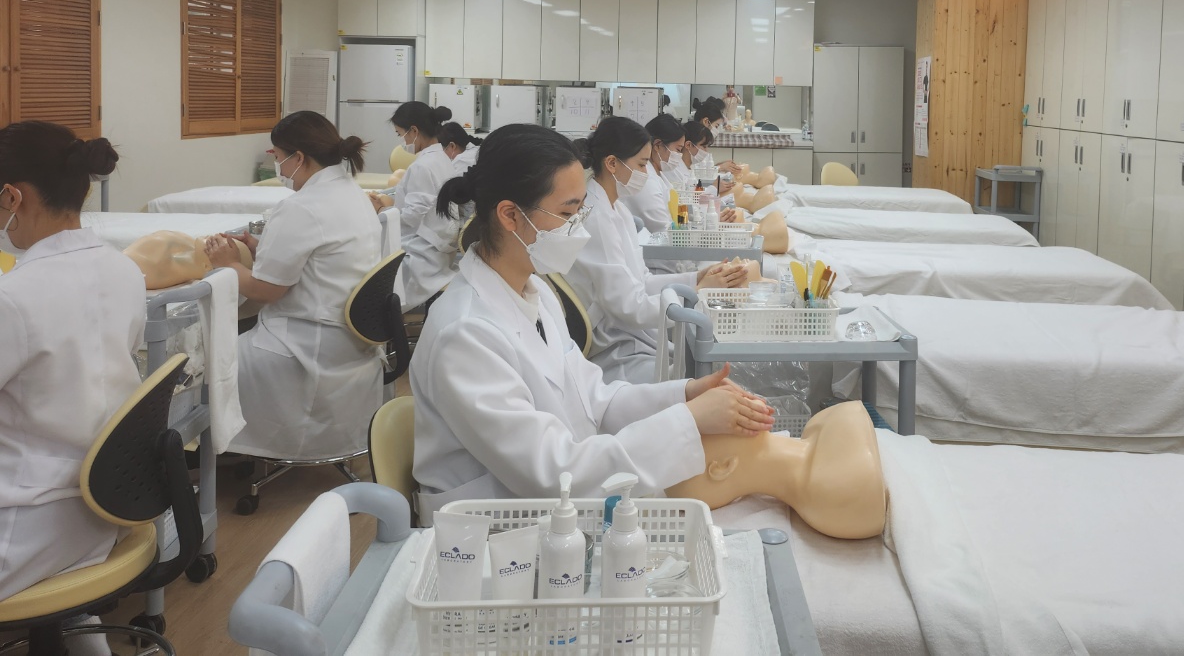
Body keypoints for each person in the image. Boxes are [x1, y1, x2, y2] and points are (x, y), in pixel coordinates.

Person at [411, 124, 773, 509]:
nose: (578, 228)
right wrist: (688, 420)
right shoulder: (465, 334)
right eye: (567, 213)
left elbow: (596, 400)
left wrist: (683, 395)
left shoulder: (535, 293)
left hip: (560, 501)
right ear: (510, 215)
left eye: (580, 210)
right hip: (495, 527)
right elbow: (553, 474)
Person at [0, 123, 144, 616]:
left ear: (12, 197)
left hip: (28, 527)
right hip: (109, 505)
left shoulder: (15, 297)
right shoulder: (124, 270)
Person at [206, 112, 382, 461]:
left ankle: (209, 450)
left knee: (205, 363)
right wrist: (262, 249)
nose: (279, 168)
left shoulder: (302, 208)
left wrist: (228, 265)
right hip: (350, 338)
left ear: (299, 157)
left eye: (278, 157)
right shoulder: (352, 193)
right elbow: (320, 261)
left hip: (305, 346)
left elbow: (265, 292)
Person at [569, 117, 751, 383]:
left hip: (631, 330)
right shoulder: (597, 217)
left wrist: (696, 279)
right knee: (709, 373)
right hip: (616, 344)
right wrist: (697, 291)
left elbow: (641, 280)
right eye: (641, 164)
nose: (646, 172)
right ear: (612, 163)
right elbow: (630, 308)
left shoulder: (616, 208)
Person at [374, 102, 457, 309]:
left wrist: (381, 211)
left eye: (400, 134)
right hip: (437, 251)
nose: (403, 141)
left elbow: (411, 217)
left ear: (414, 131)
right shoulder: (441, 158)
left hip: (420, 259)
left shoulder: (423, 166)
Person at [620, 114, 689, 234]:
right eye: (678, 150)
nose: (679, 155)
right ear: (657, 145)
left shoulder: (658, 175)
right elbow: (662, 228)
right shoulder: (647, 180)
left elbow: (678, 215)